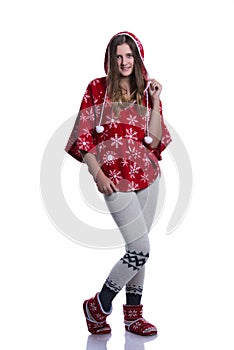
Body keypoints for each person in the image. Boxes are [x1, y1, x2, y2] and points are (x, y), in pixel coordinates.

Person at [65, 31, 172, 336]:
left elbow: (153, 139)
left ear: (137, 58)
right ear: (111, 59)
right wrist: (97, 174)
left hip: (148, 177)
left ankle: (132, 316)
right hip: (114, 180)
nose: (124, 62)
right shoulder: (96, 89)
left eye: (129, 56)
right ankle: (99, 305)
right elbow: (83, 136)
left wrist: (155, 100)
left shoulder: (145, 91)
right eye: (119, 56)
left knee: (139, 248)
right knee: (140, 248)